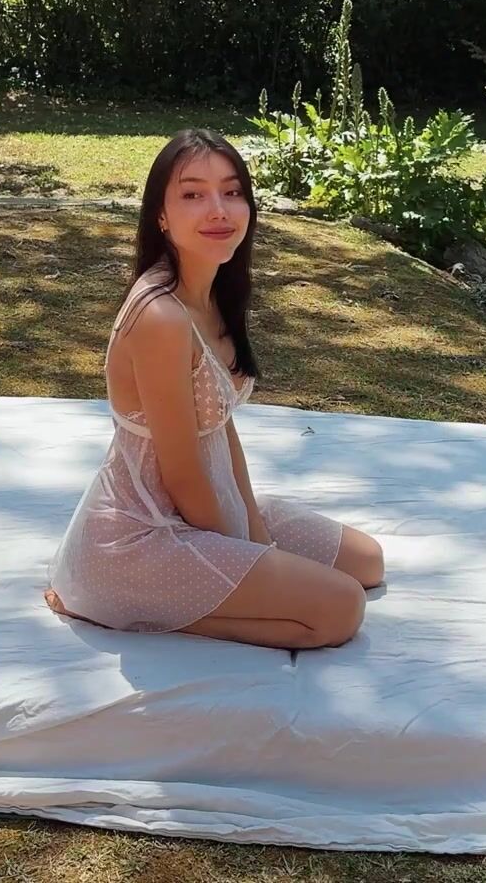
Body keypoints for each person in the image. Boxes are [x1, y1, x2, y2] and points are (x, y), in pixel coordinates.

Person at [45, 129, 384, 649]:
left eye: (232, 192)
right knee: (341, 610)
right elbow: (181, 475)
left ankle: (165, 595)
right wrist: (251, 554)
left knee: (367, 562)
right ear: (161, 215)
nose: (218, 210)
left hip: (207, 499)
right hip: (141, 534)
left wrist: (255, 530)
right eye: (192, 194)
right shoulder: (161, 317)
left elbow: (220, 427)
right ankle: (111, 606)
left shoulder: (213, 290)